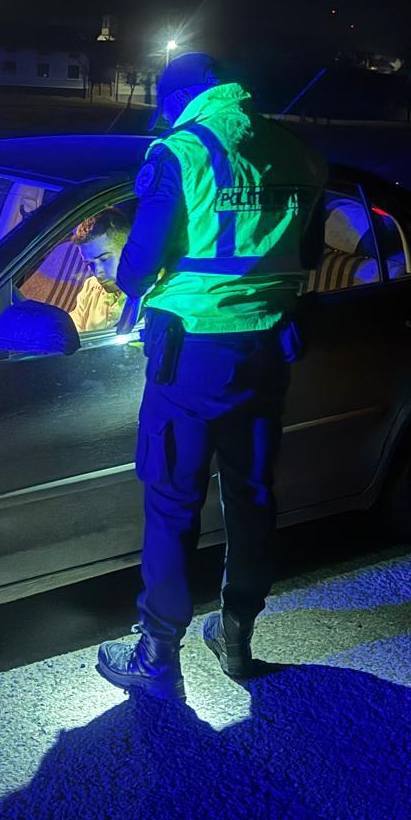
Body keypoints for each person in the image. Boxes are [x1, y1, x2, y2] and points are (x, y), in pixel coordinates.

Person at [96, 52, 327, 699]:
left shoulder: (182, 151)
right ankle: (236, 637)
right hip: (266, 352)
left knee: (172, 503)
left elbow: (137, 268)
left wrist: (138, 274)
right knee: (251, 497)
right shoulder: (296, 151)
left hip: (192, 357)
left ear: (177, 100)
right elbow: (308, 254)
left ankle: (157, 657)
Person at [68, 207, 131, 334]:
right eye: (90, 264)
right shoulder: (91, 287)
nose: (98, 273)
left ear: (130, 250)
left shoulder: (155, 292)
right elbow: (70, 332)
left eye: (104, 259)